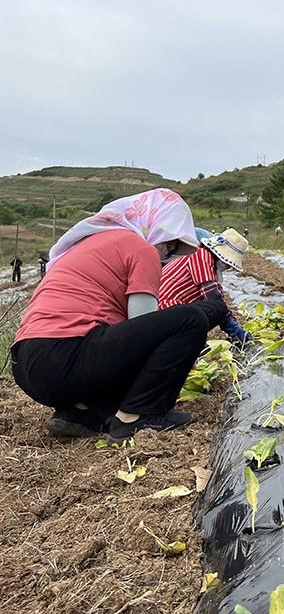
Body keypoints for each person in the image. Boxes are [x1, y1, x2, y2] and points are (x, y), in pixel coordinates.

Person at [10, 189, 226, 443]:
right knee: (191, 319)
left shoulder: (91, 243)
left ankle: (80, 414)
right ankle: (136, 416)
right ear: (154, 227)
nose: (168, 254)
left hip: (27, 365)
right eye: (169, 244)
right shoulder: (141, 248)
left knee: (114, 340)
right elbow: (142, 327)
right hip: (65, 356)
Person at [159, 228, 253, 346]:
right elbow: (213, 295)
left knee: (215, 309)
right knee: (216, 308)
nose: (227, 267)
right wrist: (232, 327)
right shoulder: (201, 255)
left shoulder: (205, 258)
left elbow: (216, 292)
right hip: (165, 310)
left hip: (170, 311)